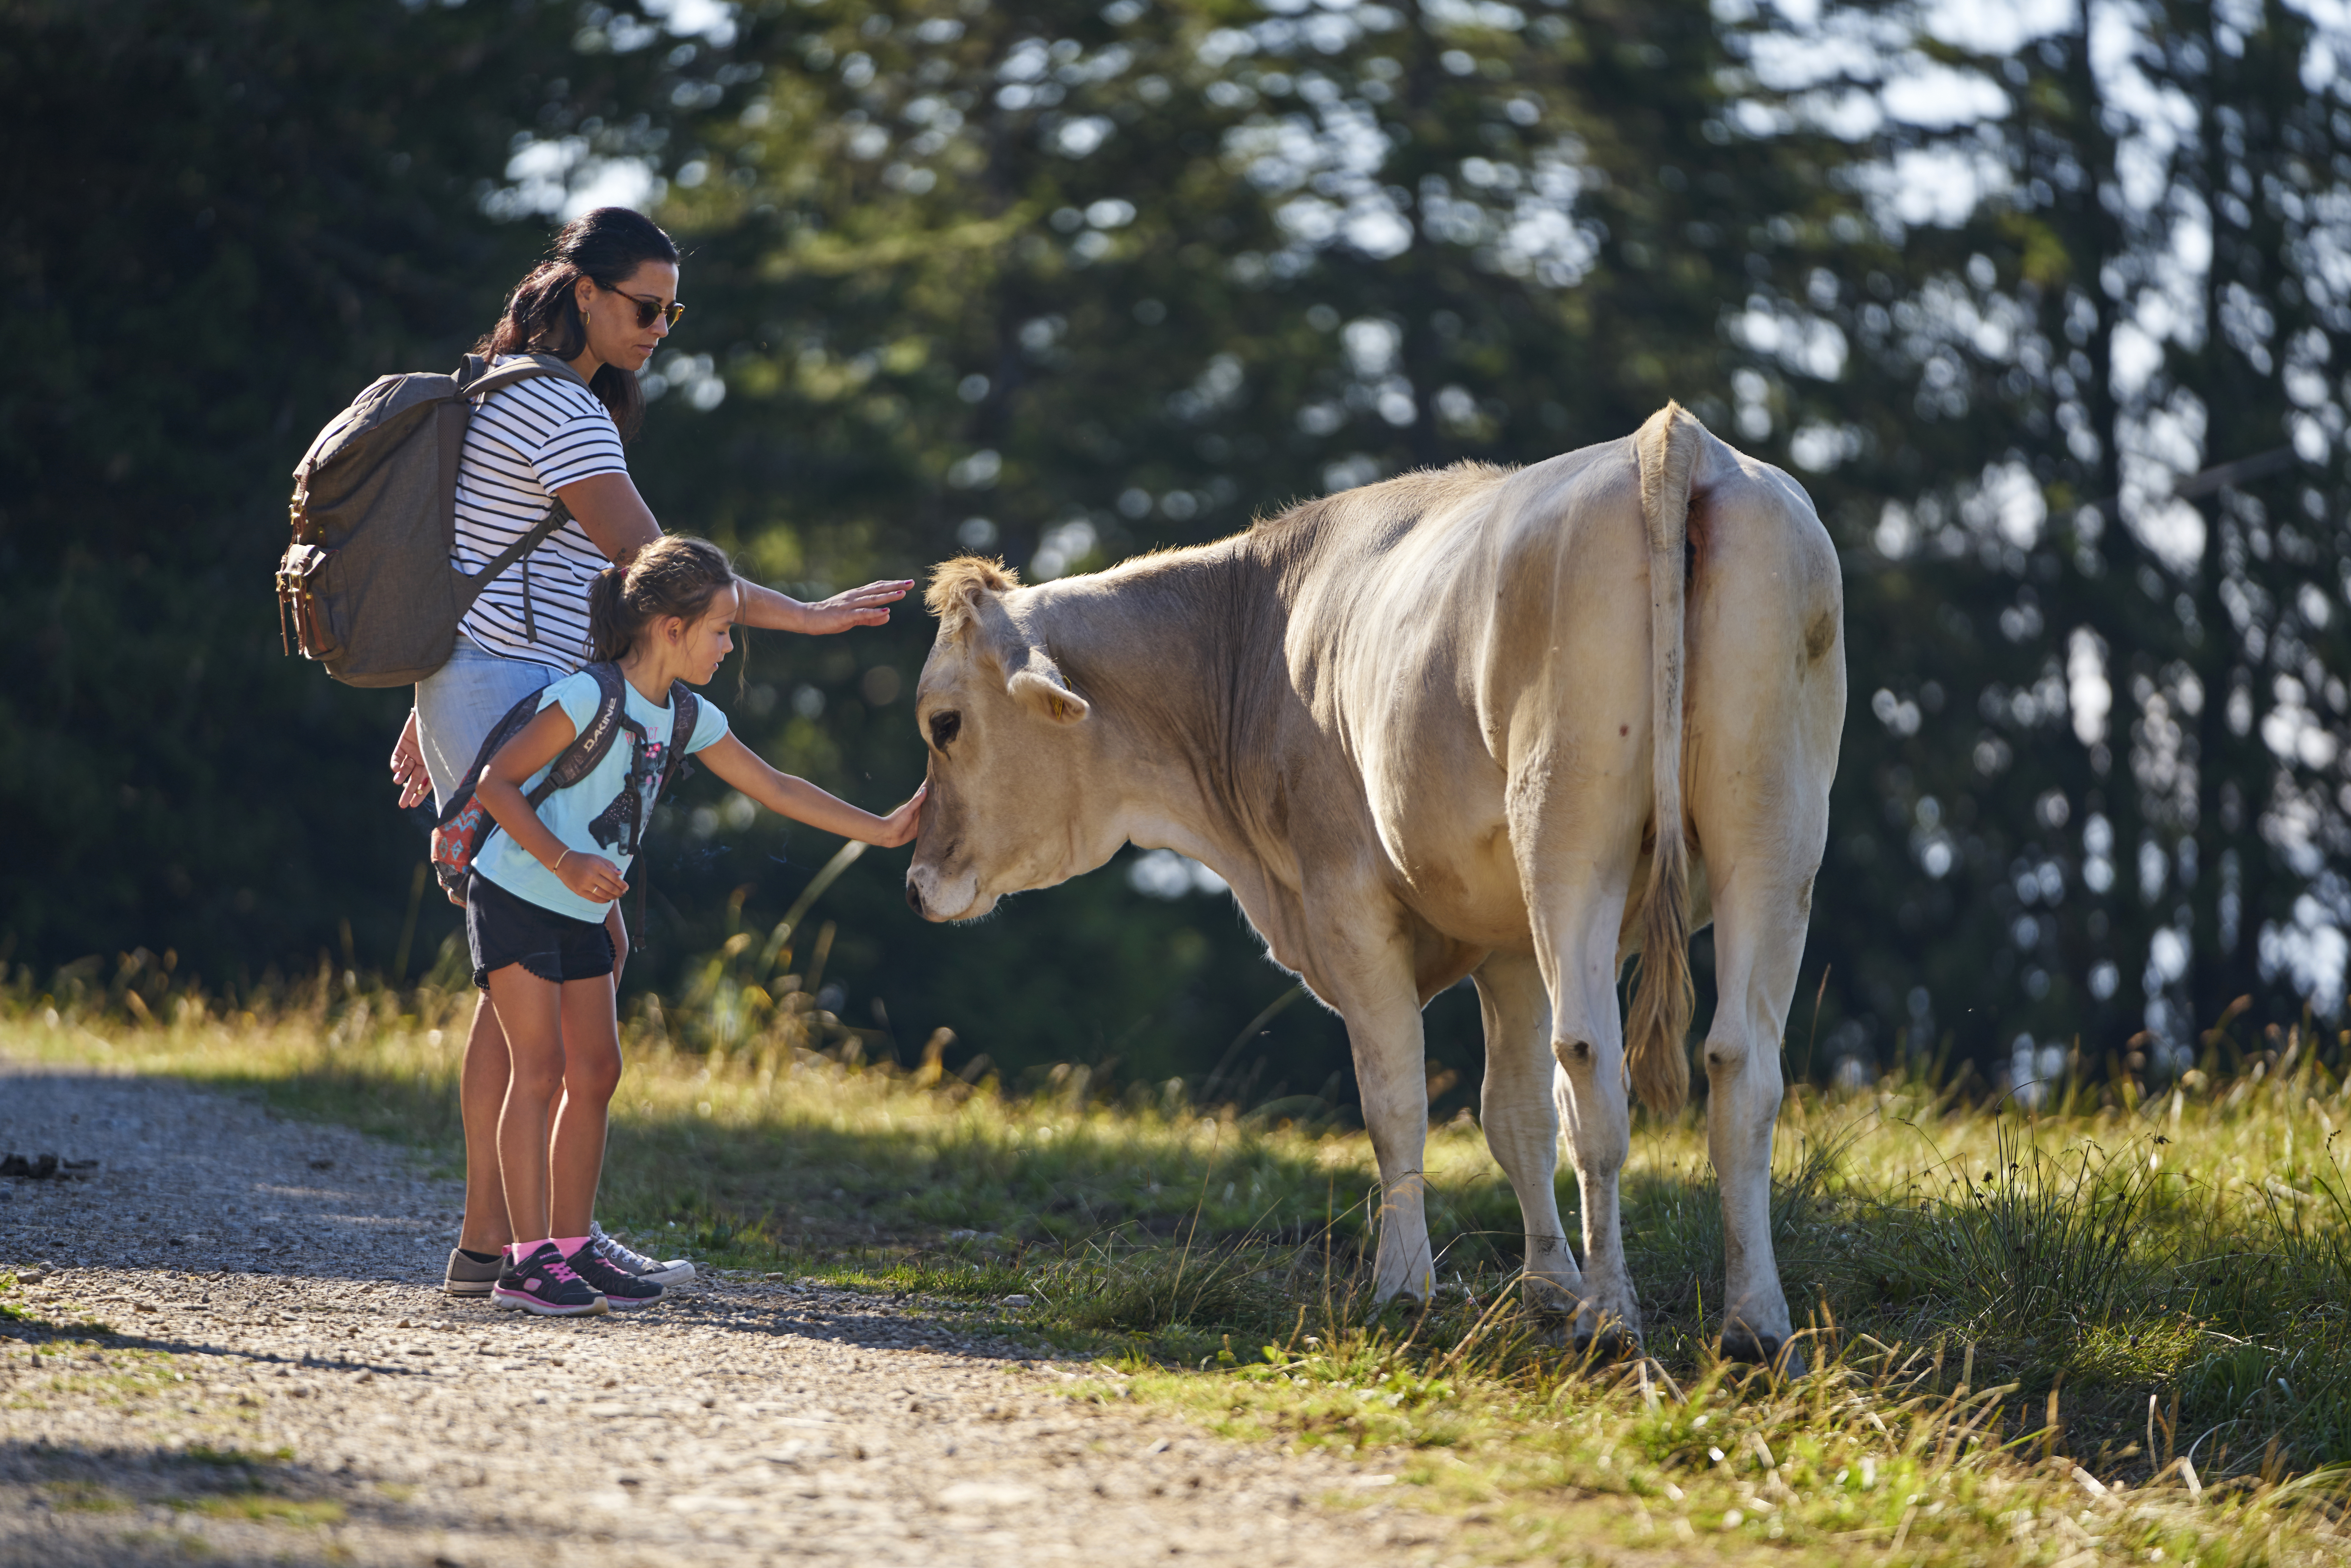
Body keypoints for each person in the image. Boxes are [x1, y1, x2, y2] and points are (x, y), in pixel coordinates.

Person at [386, 205, 912, 1298]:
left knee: (518, 975)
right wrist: (811, 616)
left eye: (675, 311)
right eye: (644, 306)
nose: (661, 326)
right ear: (583, 290)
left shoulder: (496, 385)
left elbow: (477, 559)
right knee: (539, 960)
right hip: (528, 694)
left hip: (482, 684)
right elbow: (654, 571)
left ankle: (510, 1244)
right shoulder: (563, 408)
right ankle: (521, 1245)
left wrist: (434, 703)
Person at [471, 535, 925, 1314]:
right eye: (720, 629)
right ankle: (524, 1262)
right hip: (518, 892)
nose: (728, 646)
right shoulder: (585, 698)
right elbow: (495, 786)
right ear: (670, 628)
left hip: (582, 906)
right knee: (539, 1071)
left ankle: (574, 1250)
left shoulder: (689, 715)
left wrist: (881, 830)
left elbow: (776, 785)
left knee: (599, 1074)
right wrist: (564, 863)